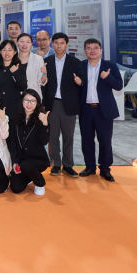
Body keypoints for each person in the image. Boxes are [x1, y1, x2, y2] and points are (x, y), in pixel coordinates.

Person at [79, 38, 123, 182]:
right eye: (89, 48)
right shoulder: (80, 65)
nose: (92, 51)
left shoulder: (109, 66)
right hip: (86, 109)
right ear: (85, 50)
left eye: (95, 48)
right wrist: (78, 83)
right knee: (86, 140)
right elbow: (76, 88)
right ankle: (90, 167)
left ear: (101, 50)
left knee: (105, 140)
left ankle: (105, 169)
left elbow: (119, 86)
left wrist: (108, 77)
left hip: (103, 110)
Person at [42, 32, 84, 178]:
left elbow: (82, 82)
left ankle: (68, 165)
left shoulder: (75, 62)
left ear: (66, 44)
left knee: (68, 136)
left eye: (62, 43)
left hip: (69, 105)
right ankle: (56, 164)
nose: (59, 46)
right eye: (56, 43)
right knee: (53, 136)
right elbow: (43, 85)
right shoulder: (46, 61)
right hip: (52, 104)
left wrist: (80, 82)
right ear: (52, 44)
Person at [8, 89, 51, 195]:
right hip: (21, 160)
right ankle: (29, 175)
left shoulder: (41, 119)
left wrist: (45, 124)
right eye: (26, 100)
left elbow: (44, 141)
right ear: (22, 101)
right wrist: (15, 162)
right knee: (16, 188)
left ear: (37, 103)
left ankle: (40, 183)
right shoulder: (15, 119)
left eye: (33, 101)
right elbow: (12, 143)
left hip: (37, 160)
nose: (29, 104)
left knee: (26, 166)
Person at [0, 40, 27, 122]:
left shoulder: (19, 67)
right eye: (4, 50)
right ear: (0, 52)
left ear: (15, 52)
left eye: (10, 50)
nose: (7, 53)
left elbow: (23, 87)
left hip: (14, 106)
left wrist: (15, 73)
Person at [16, 33, 48, 97]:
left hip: (32, 96)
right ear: (17, 43)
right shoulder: (12, 58)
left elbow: (42, 82)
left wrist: (44, 74)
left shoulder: (38, 59)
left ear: (31, 44)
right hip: (15, 95)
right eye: (22, 41)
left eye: (28, 42)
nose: (24, 44)